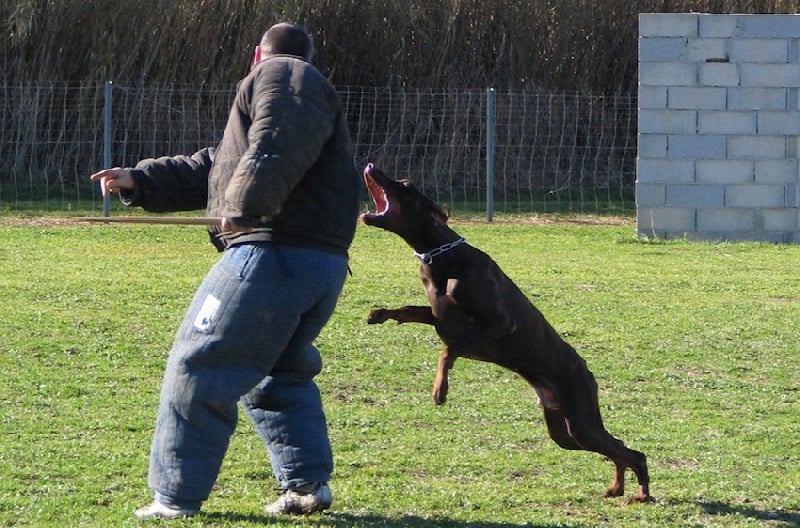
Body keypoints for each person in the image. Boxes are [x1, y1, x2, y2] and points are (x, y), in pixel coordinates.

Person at [90, 22, 360, 520]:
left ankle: (173, 499)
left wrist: (246, 203)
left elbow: (275, 142)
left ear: (259, 53)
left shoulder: (283, 76)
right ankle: (307, 486)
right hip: (319, 266)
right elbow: (218, 166)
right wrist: (140, 181)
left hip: (270, 256)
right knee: (278, 373)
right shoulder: (304, 91)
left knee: (199, 362)